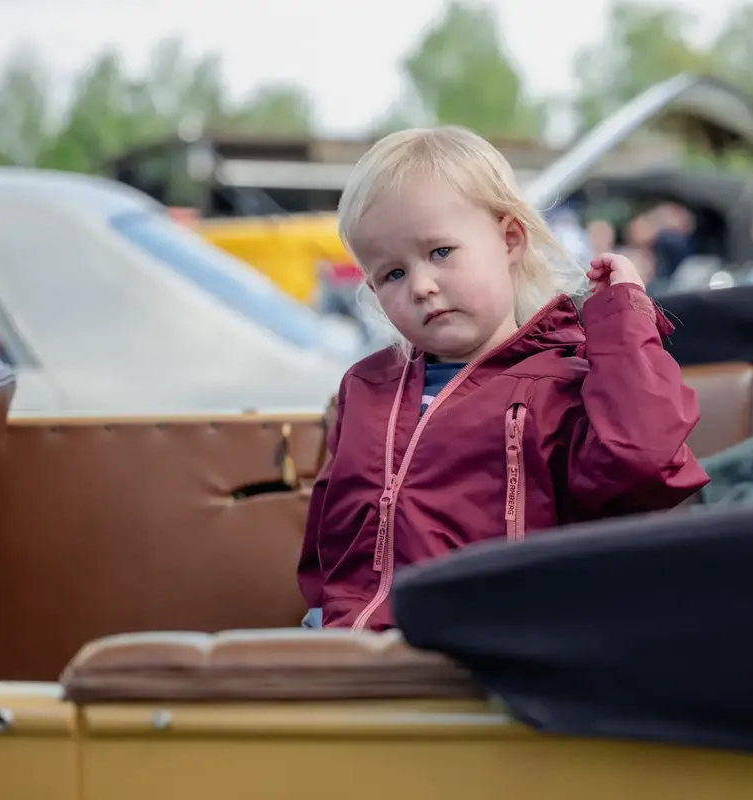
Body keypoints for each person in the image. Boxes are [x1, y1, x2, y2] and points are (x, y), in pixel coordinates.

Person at [297, 126, 709, 632]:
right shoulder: (365, 389)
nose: (422, 286)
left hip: (499, 653)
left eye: (441, 252)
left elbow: (644, 461)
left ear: (510, 239)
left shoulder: (564, 381)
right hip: (357, 650)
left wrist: (623, 319)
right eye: (392, 274)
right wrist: (326, 616)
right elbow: (328, 529)